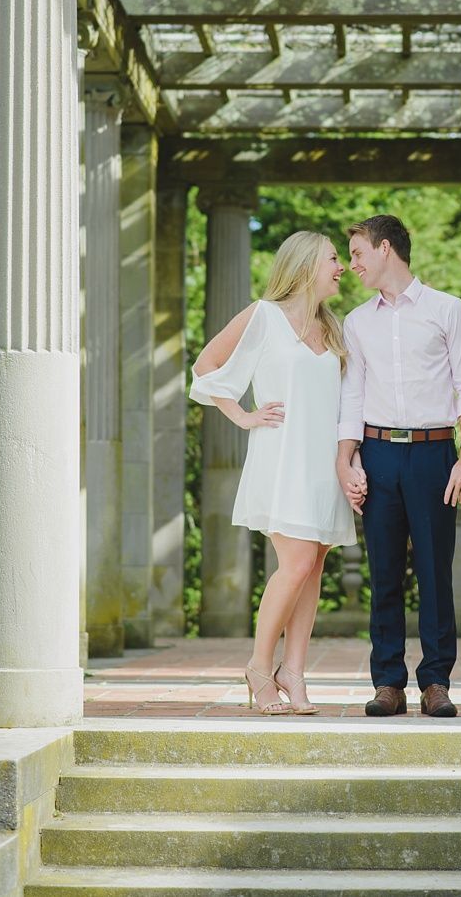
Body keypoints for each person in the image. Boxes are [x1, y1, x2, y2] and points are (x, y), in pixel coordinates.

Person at [190, 231, 361, 715]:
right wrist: (243, 415)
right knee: (296, 565)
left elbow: (346, 403)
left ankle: (295, 672)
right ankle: (260, 669)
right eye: (333, 258)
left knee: (313, 568)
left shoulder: (334, 329)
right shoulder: (263, 315)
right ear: (307, 264)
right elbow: (205, 365)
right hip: (282, 457)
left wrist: (350, 461)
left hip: (324, 462)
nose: (341, 267)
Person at [336, 215, 461, 718]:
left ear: (384, 249)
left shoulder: (448, 310)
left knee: (435, 569)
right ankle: (388, 682)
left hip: (435, 453)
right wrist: (346, 460)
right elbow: (351, 394)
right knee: (384, 572)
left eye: (356, 253)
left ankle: (436, 681)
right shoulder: (357, 322)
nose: (351, 264)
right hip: (377, 454)